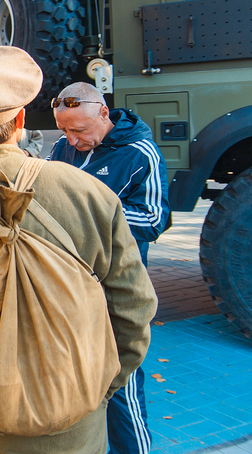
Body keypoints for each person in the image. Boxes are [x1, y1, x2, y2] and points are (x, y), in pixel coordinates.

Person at [0, 46, 157, 453]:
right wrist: (104, 389)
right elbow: (135, 305)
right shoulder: (89, 192)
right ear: (21, 119)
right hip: (81, 418)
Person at [49, 81, 170, 454]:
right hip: (69, 287)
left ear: (104, 113)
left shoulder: (140, 152)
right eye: (64, 130)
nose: (70, 140)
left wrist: (86, 211)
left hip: (116, 290)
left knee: (121, 384)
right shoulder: (62, 147)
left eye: (79, 130)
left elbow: (154, 220)